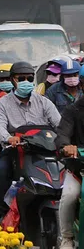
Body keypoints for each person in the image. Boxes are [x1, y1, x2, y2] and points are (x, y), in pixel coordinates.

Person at [0, 61, 61, 218]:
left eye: (29, 79)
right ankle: (3, 212)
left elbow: (59, 125)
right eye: (21, 78)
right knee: (0, 170)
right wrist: (9, 138)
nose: (26, 82)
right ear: (12, 80)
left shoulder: (44, 102)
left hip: (44, 149)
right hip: (15, 150)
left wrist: (66, 140)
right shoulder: (1, 104)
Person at [55, 95, 84, 248]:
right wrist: (66, 146)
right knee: (70, 195)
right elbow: (62, 134)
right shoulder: (72, 110)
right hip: (79, 169)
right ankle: (67, 237)